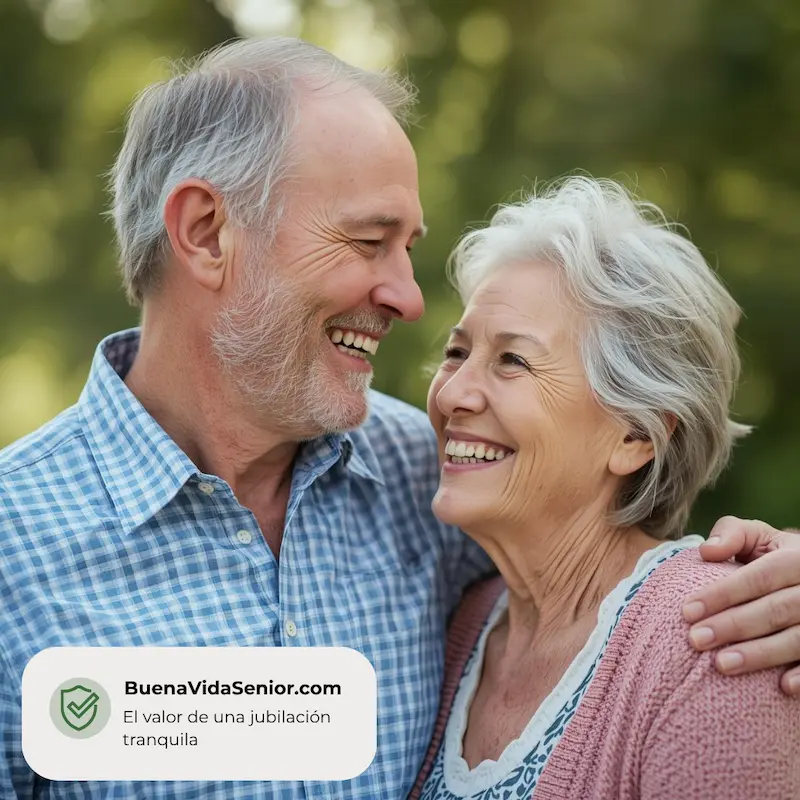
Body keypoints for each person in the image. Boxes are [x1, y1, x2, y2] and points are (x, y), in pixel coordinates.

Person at [0, 37, 798, 800]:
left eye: (408, 247)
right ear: (208, 233)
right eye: (369, 240)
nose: (408, 298)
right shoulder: (15, 551)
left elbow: (608, 551)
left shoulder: (427, 475)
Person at [411, 177, 799, 800]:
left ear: (636, 437)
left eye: (513, 360)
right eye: (458, 352)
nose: (453, 393)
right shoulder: (464, 628)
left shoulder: (716, 641)